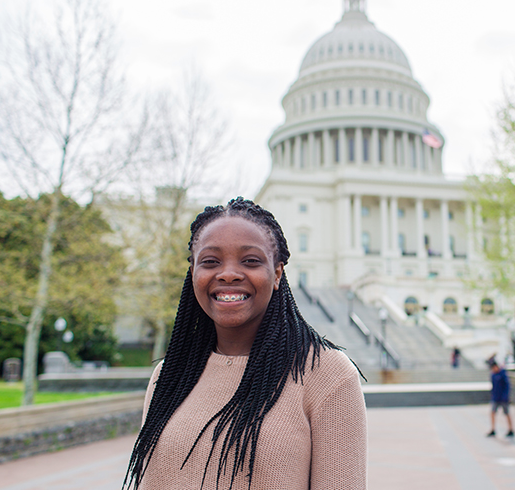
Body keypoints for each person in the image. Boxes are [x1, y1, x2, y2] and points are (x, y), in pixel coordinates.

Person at [124, 198, 367, 490]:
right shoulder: (169, 375)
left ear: (277, 273)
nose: (228, 273)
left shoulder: (325, 374)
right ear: (193, 273)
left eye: (250, 261)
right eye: (210, 261)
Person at [487, 360, 514, 438]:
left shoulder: (502, 374)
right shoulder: (493, 375)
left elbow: (507, 386)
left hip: (503, 398)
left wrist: (506, 397)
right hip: (495, 398)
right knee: (492, 412)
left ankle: (510, 429)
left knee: (507, 413)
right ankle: (493, 429)